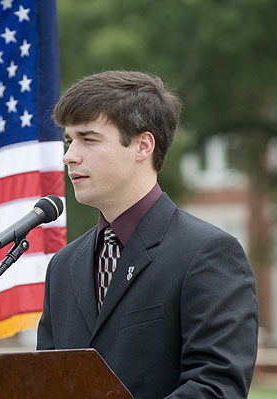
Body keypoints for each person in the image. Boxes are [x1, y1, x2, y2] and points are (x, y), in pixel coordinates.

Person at [37, 71, 258, 398]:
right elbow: (44, 382)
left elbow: (216, 386)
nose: (69, 155)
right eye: (69, 141)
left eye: (89, 138)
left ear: (142, 146)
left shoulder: (207, 253)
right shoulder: (63, 266)